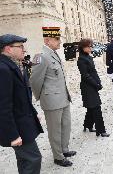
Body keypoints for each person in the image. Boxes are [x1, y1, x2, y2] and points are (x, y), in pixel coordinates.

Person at [30, 27, 76, 167]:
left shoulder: (54, 54)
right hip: (51, 101)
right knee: (55, 130)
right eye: (57, 39)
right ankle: (58, 157)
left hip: (63, 98)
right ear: (47, 40)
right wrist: (42, 97)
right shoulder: (40, 56)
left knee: (66, 126)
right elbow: (34, 80)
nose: (60, 41)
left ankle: (64, 149)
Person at [0, 34, 43, 174]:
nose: (24, 50)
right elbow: (3, 106)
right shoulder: (3, 69)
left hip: (24, 121)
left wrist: (34, 114)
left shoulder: (15, 65)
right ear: (8, 49)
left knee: (25, 159)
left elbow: (23, 97)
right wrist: (12, 135)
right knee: (33, 159)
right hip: (17, 127)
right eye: (20, 46)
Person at [77, 39, 110, 137]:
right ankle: (101, 130)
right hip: (88, 87)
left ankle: (87, 125)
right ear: (83, 48)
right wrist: (96, 84)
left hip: (93, 84)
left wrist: (98, 82)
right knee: (96, 107)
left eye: (91, 46)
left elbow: (93, 72)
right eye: (89, 46)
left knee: (92, 107)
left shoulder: (88, 57)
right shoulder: (81, 60)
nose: (91, 48)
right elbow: (85, 76)